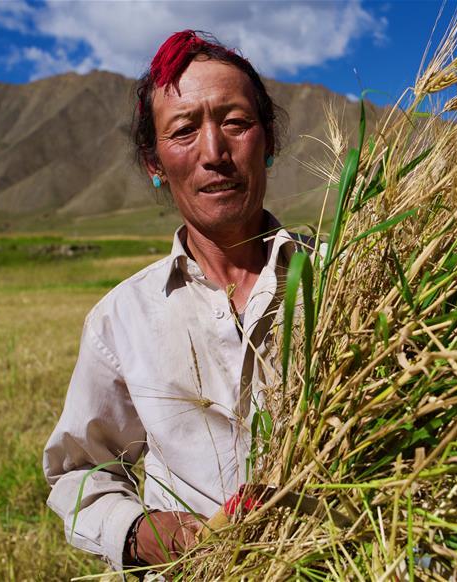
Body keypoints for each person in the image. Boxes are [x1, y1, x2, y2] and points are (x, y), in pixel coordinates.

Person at [43, 30, 306, 571]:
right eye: (184, 130)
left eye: (236, 123)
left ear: (269, 141)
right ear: (154, 164)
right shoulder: (121, 320)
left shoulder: (349, 278)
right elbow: (77, 471)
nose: (214, 153)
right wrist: (136, 532)